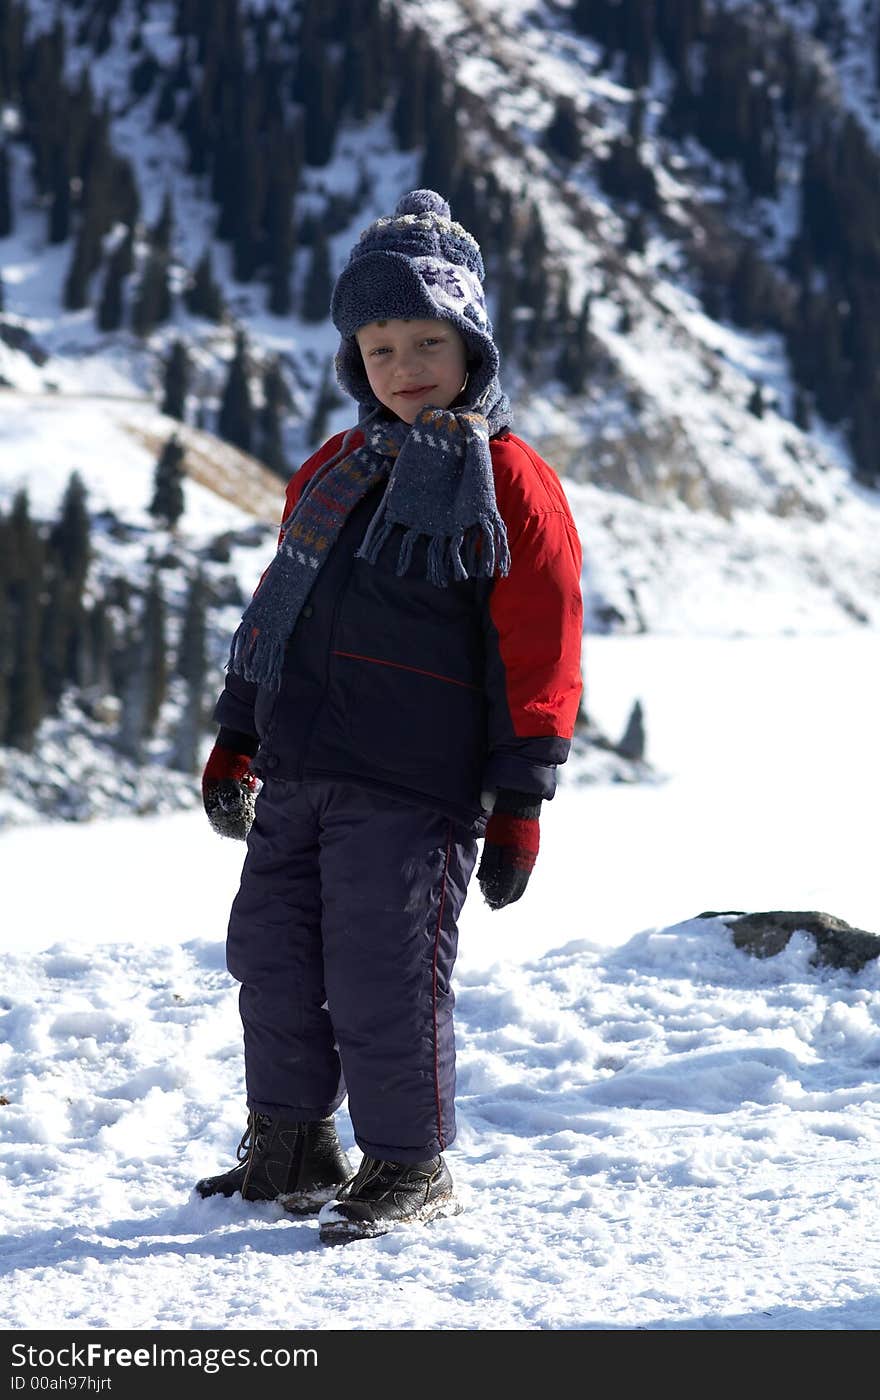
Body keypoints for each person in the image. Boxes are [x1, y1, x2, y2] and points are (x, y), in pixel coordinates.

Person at [195, 188, 583, 1244]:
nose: (404, 367)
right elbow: (280, 610)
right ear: (353, 362)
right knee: (270, 958)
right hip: (303, 766)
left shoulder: (506, 480)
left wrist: (519, 801)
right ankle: (289, 1139)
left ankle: (410, 1160)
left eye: (427, 341)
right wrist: (237, 732)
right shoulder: (332, 470)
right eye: (378, 347)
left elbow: (540, 650)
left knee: (384, 973)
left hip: (414, 787)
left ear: (472, 347)